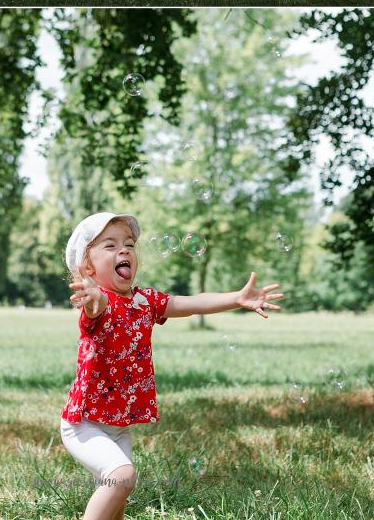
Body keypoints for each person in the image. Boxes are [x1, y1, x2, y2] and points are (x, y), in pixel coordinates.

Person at [61, 211, 282, 520]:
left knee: (118, 494)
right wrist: (94, 297)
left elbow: (190, 304)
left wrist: (237, 298)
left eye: (129, 244)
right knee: (122, 476)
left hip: (118, 423)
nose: (123, 250)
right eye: (109, 246)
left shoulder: (145, 301)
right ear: (87, 266)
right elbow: (95, 308)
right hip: (84, 423)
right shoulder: (98, 304)